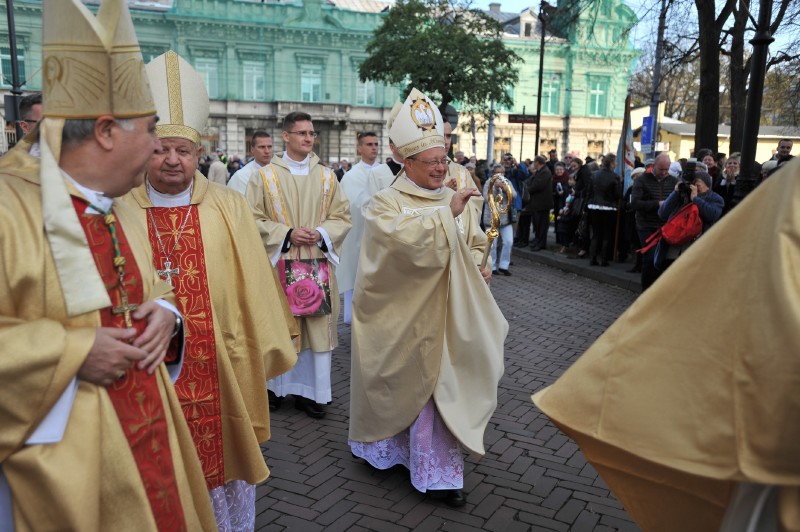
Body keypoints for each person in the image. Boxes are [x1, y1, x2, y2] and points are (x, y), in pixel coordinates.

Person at [0, 1, 218, 529]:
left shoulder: (109, 203)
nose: (155, 152)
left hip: (144, 436)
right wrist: (71, 354)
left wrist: (167, 312)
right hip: (53, 473)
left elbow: (149, 285)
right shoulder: (9, 209)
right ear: (104, 131)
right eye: (149, 132)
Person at [533, 159, 800, 532]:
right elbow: (663, 212)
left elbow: (714, 218)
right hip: (668, 254)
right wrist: (679, 195)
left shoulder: (718, 200)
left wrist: (700, 197)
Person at [121, 51, 298, 530]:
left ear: (200, 154)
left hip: (218, 360)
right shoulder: (121, 209)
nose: (172, 159)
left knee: (221, 460)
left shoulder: (227, 205)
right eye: (160, 149)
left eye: (183, 150)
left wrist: (267, 342)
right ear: (145, 152)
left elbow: (255, 285)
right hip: (147, 367)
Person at [349, 88, 507, 508]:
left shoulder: (456, 195)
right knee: (404, 384)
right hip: (403, 317)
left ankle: (437, 473)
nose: (442, 168)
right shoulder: (386, 202)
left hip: (450, 317)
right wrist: (446, 215)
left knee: (442, 388)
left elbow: (473, 242)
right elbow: (396, 245)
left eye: (444, 158)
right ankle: (388, 452)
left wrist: (479, 262)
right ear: (407, 161)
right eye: (432, 162)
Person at [242, 111, 351, 419]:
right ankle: (276, 389)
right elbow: (251, 219)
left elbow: (343, 216)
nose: (308, 138)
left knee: (316, 328)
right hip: (280, 263)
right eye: (302, 133)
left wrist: (321, 232)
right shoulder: (264, 176)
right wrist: (287, 233)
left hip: (317, 262)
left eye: (311, 133)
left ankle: (314, 394)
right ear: (286, 137)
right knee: (281, 327)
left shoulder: (328, 176)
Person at [336, 131, 382, 323]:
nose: (373, 148)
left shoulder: (385, 172)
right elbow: (349, 205)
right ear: (359, 148)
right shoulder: (351, 176)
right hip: (359, 236)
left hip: (382, 237)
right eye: (369, 144)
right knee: (357, 278)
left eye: (376, 144)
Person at [655, 170, 723, 271]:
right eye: (691, 184)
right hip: (672, 248)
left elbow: (712, 215)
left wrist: (695, 199)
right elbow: (662, 213)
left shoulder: (715, 198)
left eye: (697, 184)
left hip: (695, 249)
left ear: (707, 185)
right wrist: (675, 193)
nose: (693, 187)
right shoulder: (681, 195)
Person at [630, 153, 678, 290]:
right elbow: (635, 203)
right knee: (649, 258)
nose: (664, 173)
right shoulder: (642, 180)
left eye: (667, 169)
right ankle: (646, 290)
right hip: (646, 225)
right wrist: (658, 204)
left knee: (661, 258)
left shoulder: (673, 181)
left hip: (665, 225)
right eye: (661, 169)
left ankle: (656, 290)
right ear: (654, 166)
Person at [586, 153, 621, 266]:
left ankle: (593, 258)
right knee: (606, 234)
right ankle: (604, 259)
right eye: (615, 162)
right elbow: (618, 194)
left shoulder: (594, 174)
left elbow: (589, 191)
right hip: (609, 206)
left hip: (594, 205)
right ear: (611, 163)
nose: (616, 164)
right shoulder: (614, 176)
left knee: (596, 233)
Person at [483, 175, 514, 275]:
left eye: (502, 173)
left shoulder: (507, 181)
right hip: (491, 219)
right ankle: (492, 267)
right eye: (497, 173)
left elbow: (514, 195)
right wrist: (495, 189)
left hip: (505, 219)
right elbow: (485, 198)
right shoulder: (489, 182)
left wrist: (506, 190)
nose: (499, 176)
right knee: (492, 244)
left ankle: (504, 266)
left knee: (509, 241)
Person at [527, 155, 554, 252]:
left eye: (534, 162)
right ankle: (537, 240)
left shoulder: (545, 172)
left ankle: (541, 243)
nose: (533, 164)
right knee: (537, 224)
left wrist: (528, 190)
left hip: (542, 204)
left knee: (542, 224)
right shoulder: (540, 172)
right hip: (537, 203)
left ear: (538, 162)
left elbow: (537, 186)